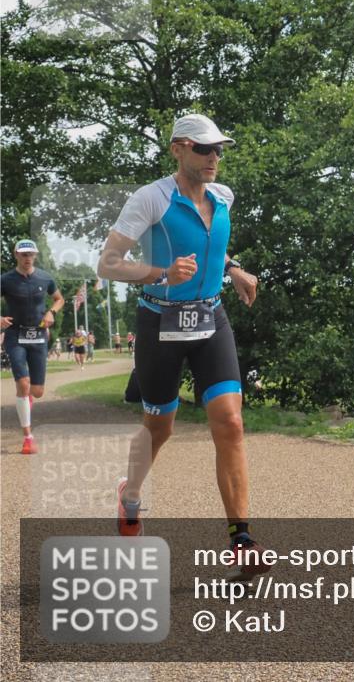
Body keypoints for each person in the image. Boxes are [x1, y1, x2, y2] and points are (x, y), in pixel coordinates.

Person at [98, 113, 266, 576]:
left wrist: (233, 269)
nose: (214, 157)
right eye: (203, 149)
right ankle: (130, 495)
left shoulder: (223, 197)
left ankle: (242, 539)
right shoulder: (150, 198)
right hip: (159, 323)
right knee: (160, 427)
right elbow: (108, 264)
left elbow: (212, 244)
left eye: (219, 150)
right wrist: (161, 274)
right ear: (178, 149)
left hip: (211, 318)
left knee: (230, 422)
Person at [1, 239, 65, 454]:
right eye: (23, 254)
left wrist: (51, 312)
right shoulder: (6, 280)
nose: (27, 258)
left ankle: (26, 397)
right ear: (16, 255)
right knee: (23, 382)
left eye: (30, 254)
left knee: (36, 392)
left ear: (35, 255)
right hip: (14, 335)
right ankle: (28, 437)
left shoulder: (45, 278)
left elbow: (59, 299)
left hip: (38, 335)